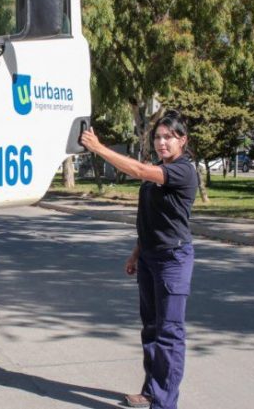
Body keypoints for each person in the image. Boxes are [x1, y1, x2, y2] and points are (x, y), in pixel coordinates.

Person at [81, 110, 197, 409]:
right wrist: (136, 253)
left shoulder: (183, 171)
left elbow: (139, 170)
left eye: (168, 137)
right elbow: (151, 220)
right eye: (158, 137)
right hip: (149, 257)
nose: (162, 142)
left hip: (173, 259)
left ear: (182, 140)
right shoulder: (159, 169)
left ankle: (165, 403)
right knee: (151, 329)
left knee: (169, 334)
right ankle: (151, 391)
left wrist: (98, 148)